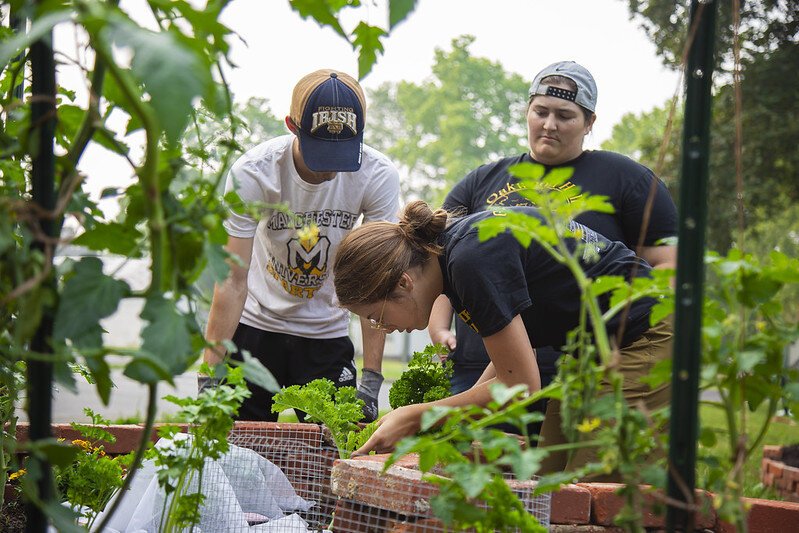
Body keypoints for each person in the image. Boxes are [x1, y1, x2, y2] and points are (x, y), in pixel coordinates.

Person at [333, 201, 672, 478]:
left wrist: (416, 415)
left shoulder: (470, 262)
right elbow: (506, 369)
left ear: (404, 284)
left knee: (592, 483)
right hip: (594, 347)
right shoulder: (456, 259)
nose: (384, 328)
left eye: (376, 317)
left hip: (646, 332)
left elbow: (521, 387)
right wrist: (442, 418)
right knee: (550, 476)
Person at [428, 60, 677, 395]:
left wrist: (622, 331)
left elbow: (668, 267)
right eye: (540, 111)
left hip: (586, 359)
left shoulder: (625, 178)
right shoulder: (481, 180)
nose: (549, 125)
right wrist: (438, 328)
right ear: (526, 111)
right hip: (484, 363)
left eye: (565, 115)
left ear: (590, 122)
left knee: (573, 447)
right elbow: (440, 259)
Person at [200, 69, 400, 422]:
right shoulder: (254, 173)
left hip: (327, 331)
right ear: (292, 125)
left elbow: (376, 282)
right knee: (235, 450)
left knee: (338, 448)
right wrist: (209, 376)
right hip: (257, 327)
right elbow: (232, 280)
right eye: (322, 153)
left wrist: (371, 380)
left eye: (342, 154)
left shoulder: (377, 175)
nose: (332, 171)